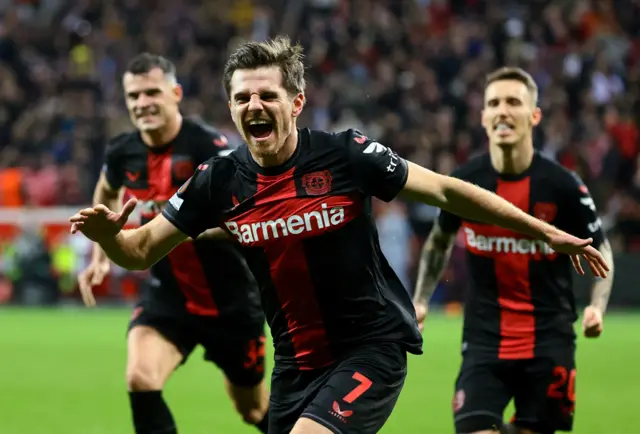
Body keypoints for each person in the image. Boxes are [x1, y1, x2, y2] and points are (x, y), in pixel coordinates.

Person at [70, 38, 609, 434]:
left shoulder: (346, 154)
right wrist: (108, 239)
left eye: (267, 96)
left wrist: (546, 232)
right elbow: (139, 251)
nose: (254, 107)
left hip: (370, 347)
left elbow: (448, 191)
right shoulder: (218, 180)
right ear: (231, 107)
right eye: (241, 99)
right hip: (296, 362)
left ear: (296, 102)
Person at [412, 67, 615, 434]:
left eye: (513, 102)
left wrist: (597, 307)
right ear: (483, 117)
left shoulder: (563, 186)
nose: (502, 110)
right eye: (494, 103)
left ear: (534, 115)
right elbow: (439, 241)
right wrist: (422, 299)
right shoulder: (465, 182)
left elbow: (602, 248)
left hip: (549, 339)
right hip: (484, 341)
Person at [76, 53, 269, 434]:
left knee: (252, 410)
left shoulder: (211, 148)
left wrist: (167, 228)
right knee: (141, 379)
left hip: (230, 300)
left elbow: (246, 219)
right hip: (167, 297)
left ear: (175, 92)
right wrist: (101, 254)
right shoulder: (122, 152)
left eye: (151, 92)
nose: (142, 103)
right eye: (133, 96)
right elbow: (106, 191)